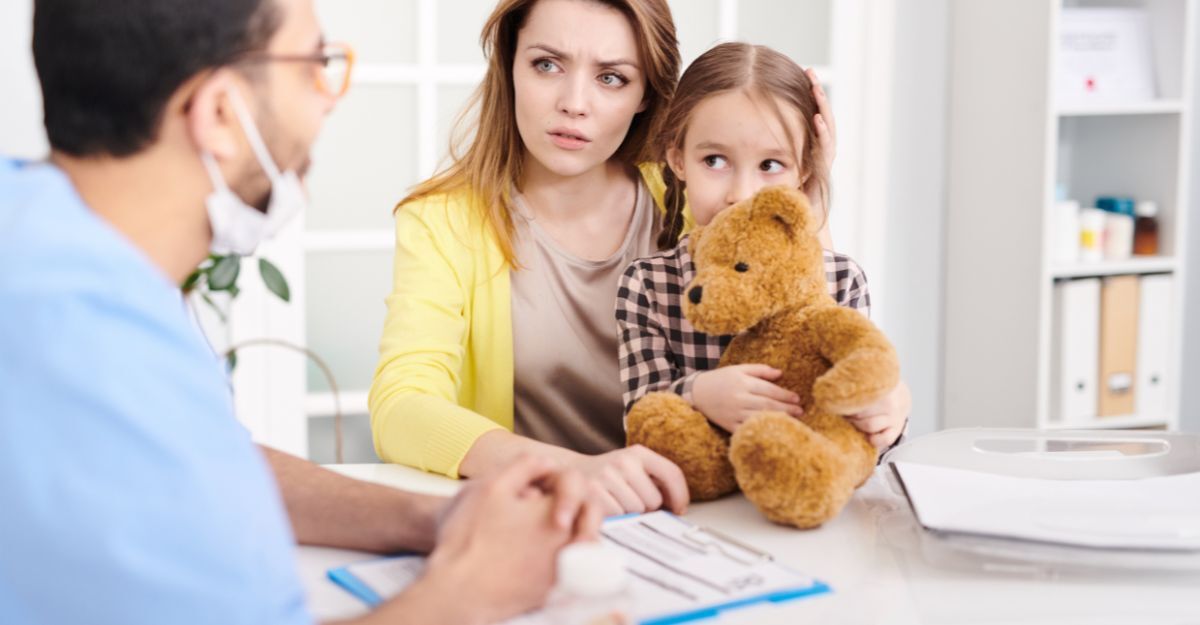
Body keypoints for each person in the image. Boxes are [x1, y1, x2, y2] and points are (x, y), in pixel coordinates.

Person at [0, 1, 601, 624]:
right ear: (221, 114)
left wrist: (433, 519)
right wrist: (472, 589)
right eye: (314, 65)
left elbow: (211, 466)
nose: (329, 97)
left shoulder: (52, 240)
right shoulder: (89, 352)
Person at [368, 0, 839, 515]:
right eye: (546, 65)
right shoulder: (443, 222)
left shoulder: (696, 195)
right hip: (539, 513)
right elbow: (401, 405)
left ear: (645, 95)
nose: (574, 103)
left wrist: (804, 207)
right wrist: (573, 470)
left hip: (698, 511)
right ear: (510, 66)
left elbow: (806, 337)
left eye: (611, 78)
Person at [617, 42, 911, 450]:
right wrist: (699, 393)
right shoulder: (647, 284)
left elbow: (857, 430)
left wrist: (888, 410)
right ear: (678, 160)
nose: (742, 194)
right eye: (715, 161)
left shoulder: (841, 280)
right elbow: (640, 419)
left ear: (802, 171)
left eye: (771, 165)